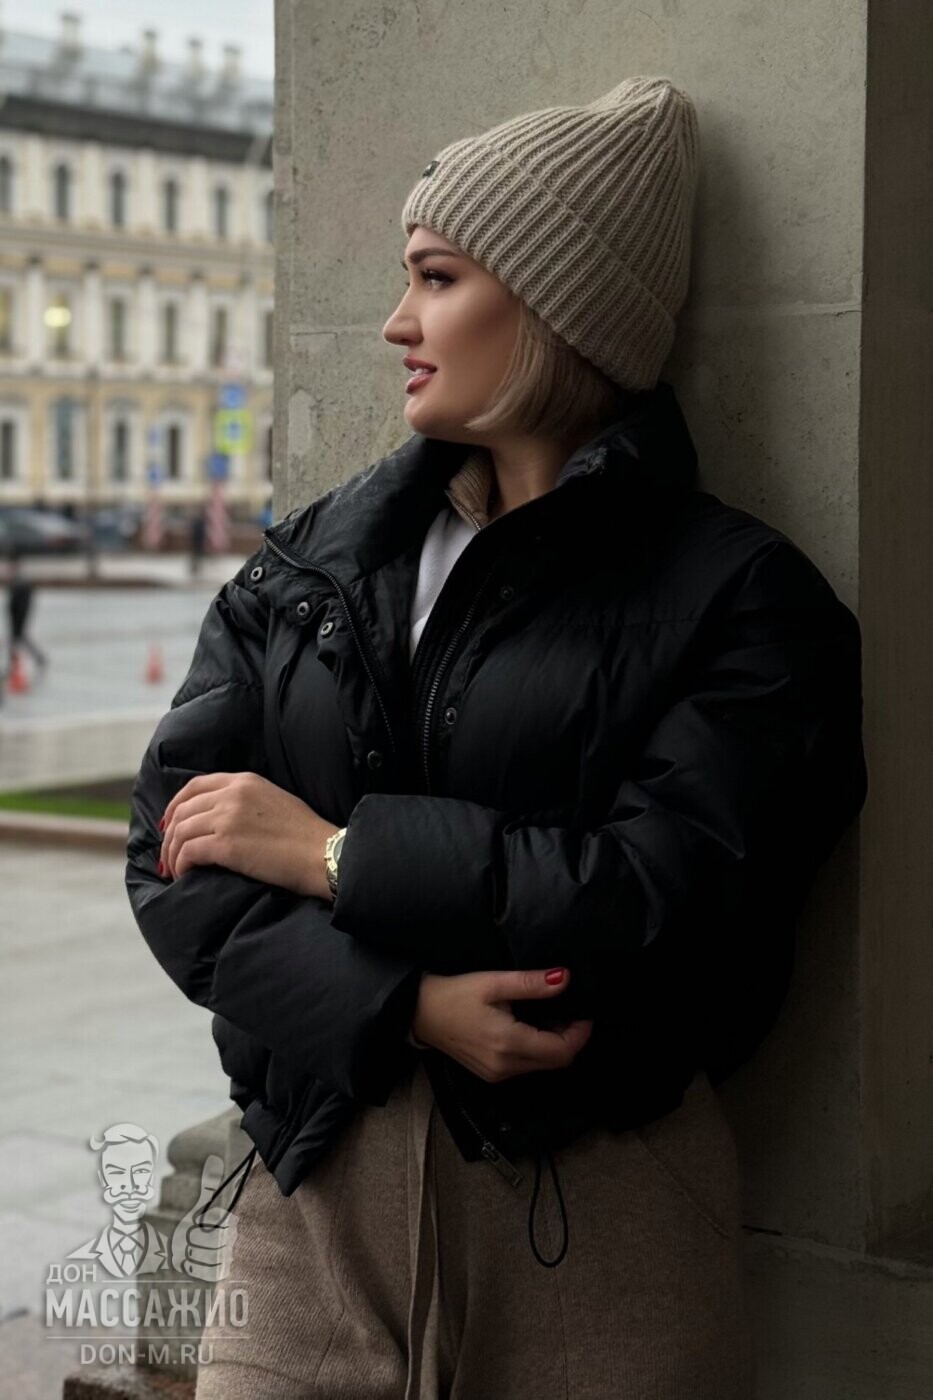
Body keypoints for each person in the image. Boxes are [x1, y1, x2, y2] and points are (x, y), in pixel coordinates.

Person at [125, 77, 868, 1398]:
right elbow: (171, 857)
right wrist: (404, 1007)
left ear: (554, 304)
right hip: (309, 1222)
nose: (397, 323)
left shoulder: (747, 601)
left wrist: (332, 854)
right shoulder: (316, 565)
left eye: (437, 277)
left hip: (601, 1237)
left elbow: (654, 899)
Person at [6, 548, 48, 676]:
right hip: (17, 615)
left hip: (18, 616)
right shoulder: (17, 580)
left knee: (18, 638)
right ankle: (17, 663)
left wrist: (16, 615)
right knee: (18, 638)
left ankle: (19, 663)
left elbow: (20, 603)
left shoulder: (20, 581)